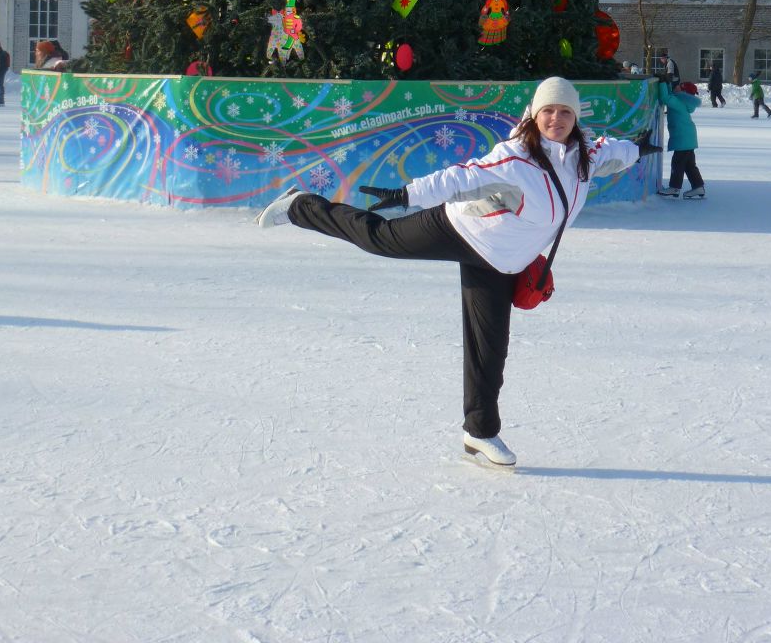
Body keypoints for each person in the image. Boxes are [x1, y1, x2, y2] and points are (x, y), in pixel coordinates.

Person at [254, 76, 661, 468]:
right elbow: (461, 178)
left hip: (503, 261)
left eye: (565, 113)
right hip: (461, 229)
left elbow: (614, 151)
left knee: (490, 348)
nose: (556, 119)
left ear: (575, 119)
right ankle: (301, 206)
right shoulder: (515, 157)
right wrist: (408, 194)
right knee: (379, 238)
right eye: (548, 111)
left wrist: (639, 149)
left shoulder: (585, 155)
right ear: (534, 116)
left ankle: (479, 433)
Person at [656, 79, 705, 199]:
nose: (675, 87)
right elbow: (670, 95)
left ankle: (674, 187)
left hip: (683, 137)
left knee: (677, 163)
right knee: (689, 165)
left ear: (683, 92)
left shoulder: (678, 102)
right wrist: (667, 83)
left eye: (679, 87)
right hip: (687, 137)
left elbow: (666, 98)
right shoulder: (683, 101)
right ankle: (698, 186)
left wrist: (663, 82)